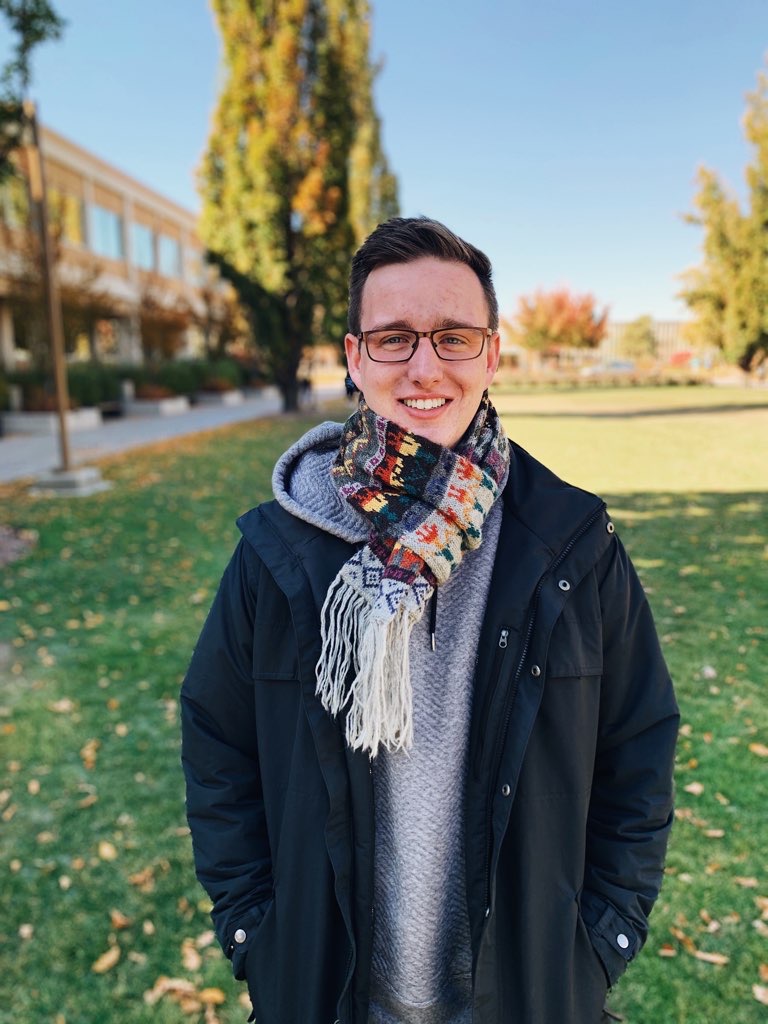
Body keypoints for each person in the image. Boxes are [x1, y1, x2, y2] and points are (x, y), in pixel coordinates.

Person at [181, 216, 679, 1024]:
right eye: (393, 339)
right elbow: (217, 739)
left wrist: (602, 939)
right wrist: (257, 932)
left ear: (490, 353)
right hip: (327, 996)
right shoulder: (279, 548)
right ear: (353, 358)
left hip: (529, 994)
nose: (424, 367)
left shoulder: (572, 544)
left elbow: (639, 742)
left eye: (452, 337)